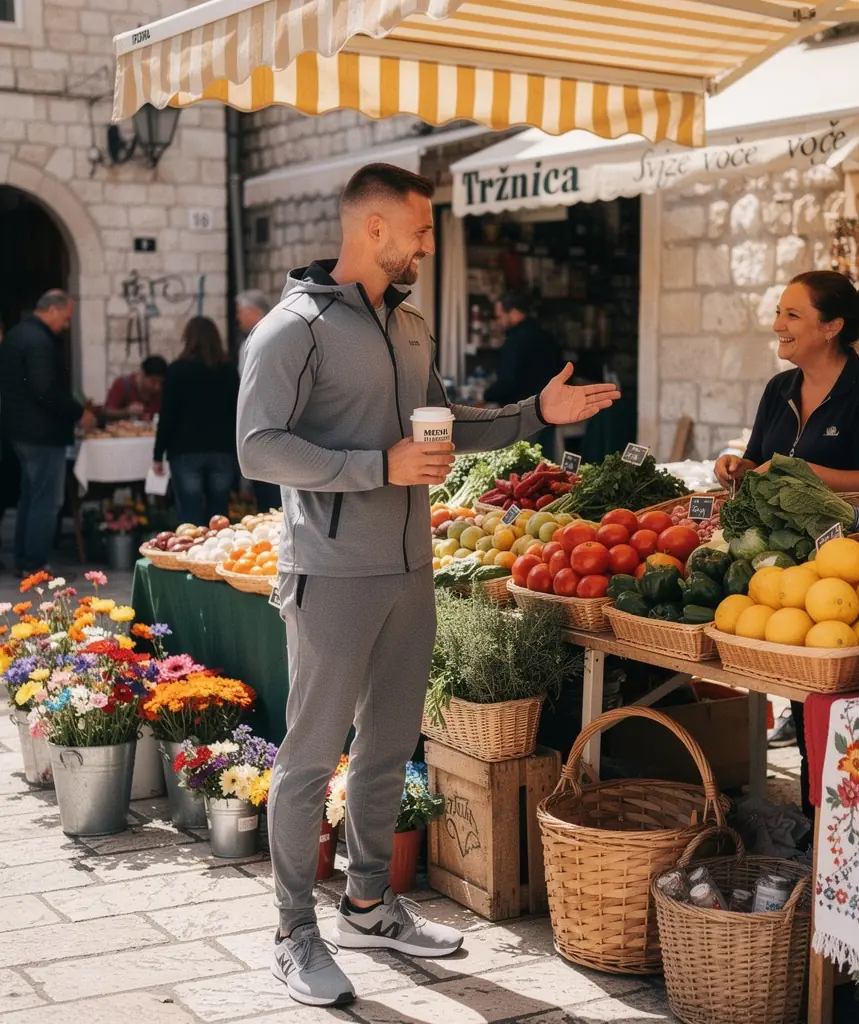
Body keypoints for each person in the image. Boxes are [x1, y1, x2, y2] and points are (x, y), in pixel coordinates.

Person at [237, 162, 619, 1009]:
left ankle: (368, 905)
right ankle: (293, 932)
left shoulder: (409, 325)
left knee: (387, 746)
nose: (428, 246)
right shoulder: (291, 329)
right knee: (310, 759)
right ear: (372, 227)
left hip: (412, 569)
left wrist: (536, 414)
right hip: (331, 572)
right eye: (420, 231)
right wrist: (378, 465)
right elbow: (258, 447)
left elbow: (447, 427)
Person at [715, 270, 859, 819]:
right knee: (802, 701)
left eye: (792, 314)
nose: (778, 324)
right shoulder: (779, 390)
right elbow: (757, 464)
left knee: (834, 703)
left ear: (831, 327)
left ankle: (842, 820)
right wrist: (737, 467)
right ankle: (811, 819)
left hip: (851, 566)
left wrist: (797, 471)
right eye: (780, 312)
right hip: (784, 564)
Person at [0, 290, 96, 574]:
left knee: (30, 496)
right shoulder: (39, 341)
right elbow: (45, 390)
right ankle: (35, 564)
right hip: (41, 433)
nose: (66, 325)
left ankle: (24, 558)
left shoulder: (18, 334)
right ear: (52, 310)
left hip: (21, 431)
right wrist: (78, 412)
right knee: (46, 499)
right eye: (66, 318)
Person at [153, 317, 240, 527]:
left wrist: (157, 454)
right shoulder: (228, 371)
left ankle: (192, 548)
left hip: (185, 450)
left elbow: (168, 415)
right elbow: (238, 411)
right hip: (222, 449)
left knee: (189, 515)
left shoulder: (177, 370)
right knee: (219, 517)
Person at [484, 292, 564, 459]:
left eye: (499, 316)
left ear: (513, 312)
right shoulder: (546, 335)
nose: (498, 322)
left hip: (523, 415)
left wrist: (487, 395)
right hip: (549, 411)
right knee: (545, 464)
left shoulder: (516, 341)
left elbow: (508, 381)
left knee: (523, 465)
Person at [234, 289, 280, 511]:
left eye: (240, 312)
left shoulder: (257, 339)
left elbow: (248, 388)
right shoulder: (280, 330)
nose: (238, 318)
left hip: (264, 423)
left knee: (269, 495)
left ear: (252, 311)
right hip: (280, 422)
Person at [103, 355, 167, 420]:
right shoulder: (122, 385)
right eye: (153, 382)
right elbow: (106, 412)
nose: (157, 387)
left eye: (161, 383)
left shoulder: (161, 392)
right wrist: (126, 412)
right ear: (143, 374)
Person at [236, 289, 272, 372]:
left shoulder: (265, 340)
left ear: (255, 312)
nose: (238, 317)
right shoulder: (248, 341)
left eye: (240, 311)